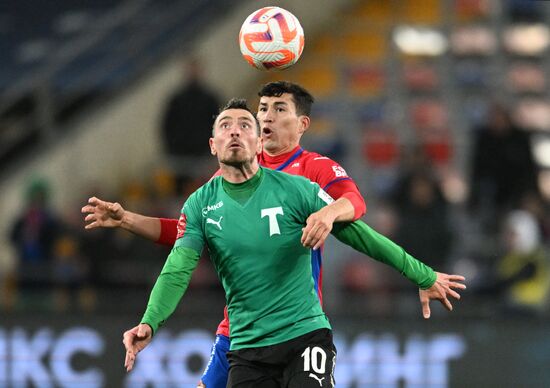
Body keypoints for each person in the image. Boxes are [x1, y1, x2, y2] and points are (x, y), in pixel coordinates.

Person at [83, 82, 464, 388]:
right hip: (241, 334)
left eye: (275, 110)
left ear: (301, 124)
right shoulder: (206, 198)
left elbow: (357, 216)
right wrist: (130, 224)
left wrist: (330, 215)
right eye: (261, 109)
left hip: (300, 327)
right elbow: (183, 251)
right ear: (213, 145)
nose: (263, 118)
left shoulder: (307, 176)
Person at [160, 57, 221, 191]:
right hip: (181, 158)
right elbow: (167, 126)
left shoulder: (210, 98)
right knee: (182, 195)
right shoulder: (176, 99)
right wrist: (172, 149)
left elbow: (220, 124)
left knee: (208, 192)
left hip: (204, 156)